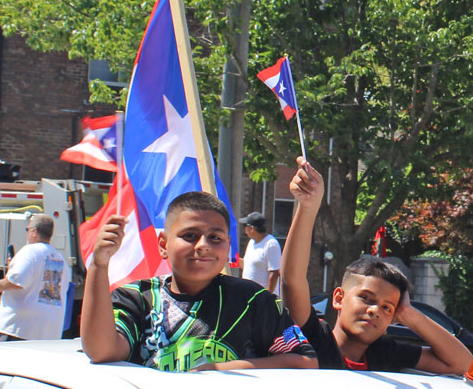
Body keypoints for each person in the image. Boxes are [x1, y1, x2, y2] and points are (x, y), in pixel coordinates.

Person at [81, 191, 318, 371]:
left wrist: (219, 371)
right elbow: (102, 351)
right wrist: (99, 265)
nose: (203, 245)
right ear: (163, 244)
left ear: (228, 249)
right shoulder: (137, 298)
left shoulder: (252, 301)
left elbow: (306, 362)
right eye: (190, 236)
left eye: (215, 237)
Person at [281, 156, 473, 374]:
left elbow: (463, 365)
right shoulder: (313, 339)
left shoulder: (385, 353)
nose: (374, 311)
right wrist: (307, 207)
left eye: (387, 308)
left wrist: (409, 314)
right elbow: (292, 280)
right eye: (365, 298)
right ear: (339, 298)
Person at [0, 214, 71, 341]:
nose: (27, 233)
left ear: (34, 232)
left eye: (27, 229)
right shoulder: (60, 258)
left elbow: (16, 282)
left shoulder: (29, 252)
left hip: (21, 328)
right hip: (49, 330)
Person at [239, 211, 281, 295]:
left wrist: (266, 296)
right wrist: (230, 259)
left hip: (262, 299)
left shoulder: (271, 244)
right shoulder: (251, 242)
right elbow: (248, 265)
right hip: (249, 296)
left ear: (252, 228)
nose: (244, 229)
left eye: (245, 226)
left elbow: (275, 272)